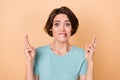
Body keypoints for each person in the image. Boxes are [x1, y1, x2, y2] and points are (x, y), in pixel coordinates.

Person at [24, 6, 97, 80]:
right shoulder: (38, 53)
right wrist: (29, 62)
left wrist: (90, 62)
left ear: (72, 28)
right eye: (56, 24)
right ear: (51, 28)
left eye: (67, 24)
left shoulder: (81, 55)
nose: (62, 29)